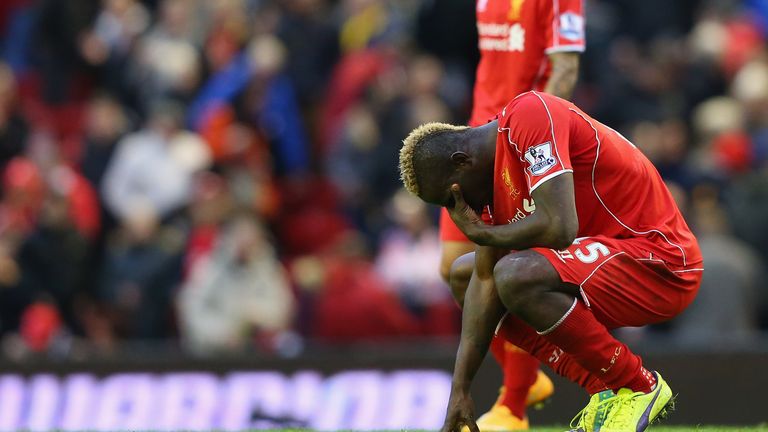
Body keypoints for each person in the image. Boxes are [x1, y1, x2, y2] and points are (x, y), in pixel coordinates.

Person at [398, 91, 703, 432]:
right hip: (614, 261)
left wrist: (485, 235)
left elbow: (560, 226)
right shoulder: (492, 189)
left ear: (461, 161)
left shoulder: (529, 114)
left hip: (661, 261)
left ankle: (637, 385)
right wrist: (460, 391)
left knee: (516, 274)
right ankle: (605, 389)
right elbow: (483, 282)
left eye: (450, 197)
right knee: (464, 275)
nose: (457, 210)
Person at [437, 0, 585, 429]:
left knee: (502, 268)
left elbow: (566, 69)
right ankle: (526, 378)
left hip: (518, 142)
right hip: (475, 139)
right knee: (453, 266)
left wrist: (536, 135)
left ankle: (514, 404)